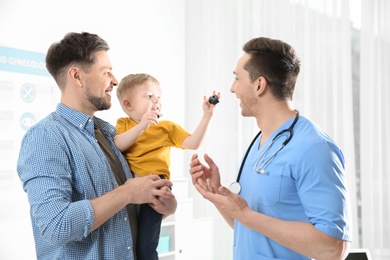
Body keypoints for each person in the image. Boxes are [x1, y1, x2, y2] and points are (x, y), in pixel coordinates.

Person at [16, 32, 177, 260]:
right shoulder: (45, 137)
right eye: (106, 71)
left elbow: (122, 214)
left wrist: (161, 207)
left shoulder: (109, 133)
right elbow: (55, 226)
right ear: (77, 76)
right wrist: (127, 192)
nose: (115, 80)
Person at [189, 36, 351, 260]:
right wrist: (217, 194)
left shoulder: (315, 148)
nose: (232, 88)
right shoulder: (260, 143)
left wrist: (246, 215)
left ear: (259, 85)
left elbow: (333, 249)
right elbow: (250, 229)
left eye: (237, 78)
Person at [114, 73, 219, 260]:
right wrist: (142, 127)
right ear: (128, 104)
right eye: (148, 96)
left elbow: (193, 143)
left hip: (157, 187)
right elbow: (118, 145)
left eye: (158, 96)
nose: (156, 101)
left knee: (146, 246)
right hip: (130, 188)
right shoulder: (124, 124)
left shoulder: (167, 128)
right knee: (128, 242)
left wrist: (207, 115)